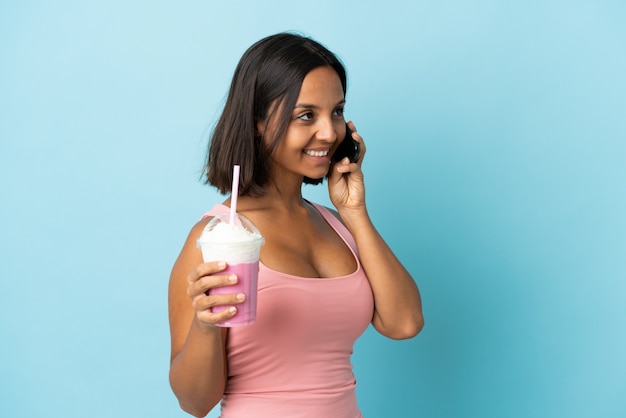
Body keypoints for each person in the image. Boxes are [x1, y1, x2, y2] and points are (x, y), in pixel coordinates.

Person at [168, 32, 424, 418]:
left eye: (336, 112)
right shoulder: (218, 238)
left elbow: (404, 323)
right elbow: (195, 402)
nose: (329, 132)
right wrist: (206, 327)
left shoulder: (337, 225)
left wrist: (354, 212)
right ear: (256, 121)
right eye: (306, 115)